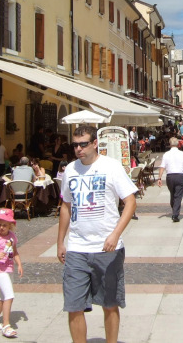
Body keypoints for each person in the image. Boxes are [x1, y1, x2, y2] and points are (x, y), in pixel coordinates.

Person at [56, 125, 137, 343]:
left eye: (83, 144)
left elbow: (130, 202)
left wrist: (115, 234)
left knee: (109, 304)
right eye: (75, 145)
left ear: (94, 144)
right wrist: (60, 242)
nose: (78, 149)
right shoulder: (70, 170)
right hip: (76, 248)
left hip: (107, 249)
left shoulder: (111, 167)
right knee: (74, 305)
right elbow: (65, 205)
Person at [0, 208, 23, 338]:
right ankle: (6, 325)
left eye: (4, 225)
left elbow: (15, 252)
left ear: (10, 226)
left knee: (2, 297)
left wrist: (19, 264)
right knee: (9, 295)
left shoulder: (12, 237)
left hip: (8, 269)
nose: (1, 227)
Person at [158, 137, 183, 222]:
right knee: (178, 196)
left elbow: (162, 167)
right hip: (180, 175)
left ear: (169, 144)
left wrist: (159, 178)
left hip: (170, 177)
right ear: (178, 144)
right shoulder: (182, 154)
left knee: (173, 194)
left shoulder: (166, 154)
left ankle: (174, 210)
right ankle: (175, 214)